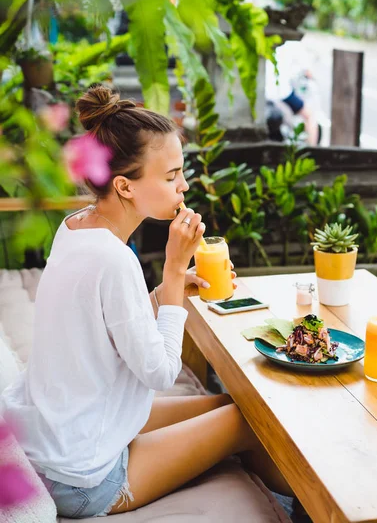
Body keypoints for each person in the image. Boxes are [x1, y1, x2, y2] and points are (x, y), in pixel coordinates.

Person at [1, 85, 291, 518]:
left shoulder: (76, 227)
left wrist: (164, 294)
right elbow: (159, 371)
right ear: (125, 186)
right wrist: (174, 272)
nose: (184, 185)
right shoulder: (115, 258)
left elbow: (104, 324)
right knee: (252, 421)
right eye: (172, 175)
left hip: (63, 433)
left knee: (233, 403)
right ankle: (302, 508)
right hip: (82, 477)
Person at [266, 41, 319, 145]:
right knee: (309, 116)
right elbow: (307, 70)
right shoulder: (294, 44)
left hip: (265, 93)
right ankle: (312, 149)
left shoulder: (268, 40)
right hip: (282, 93)